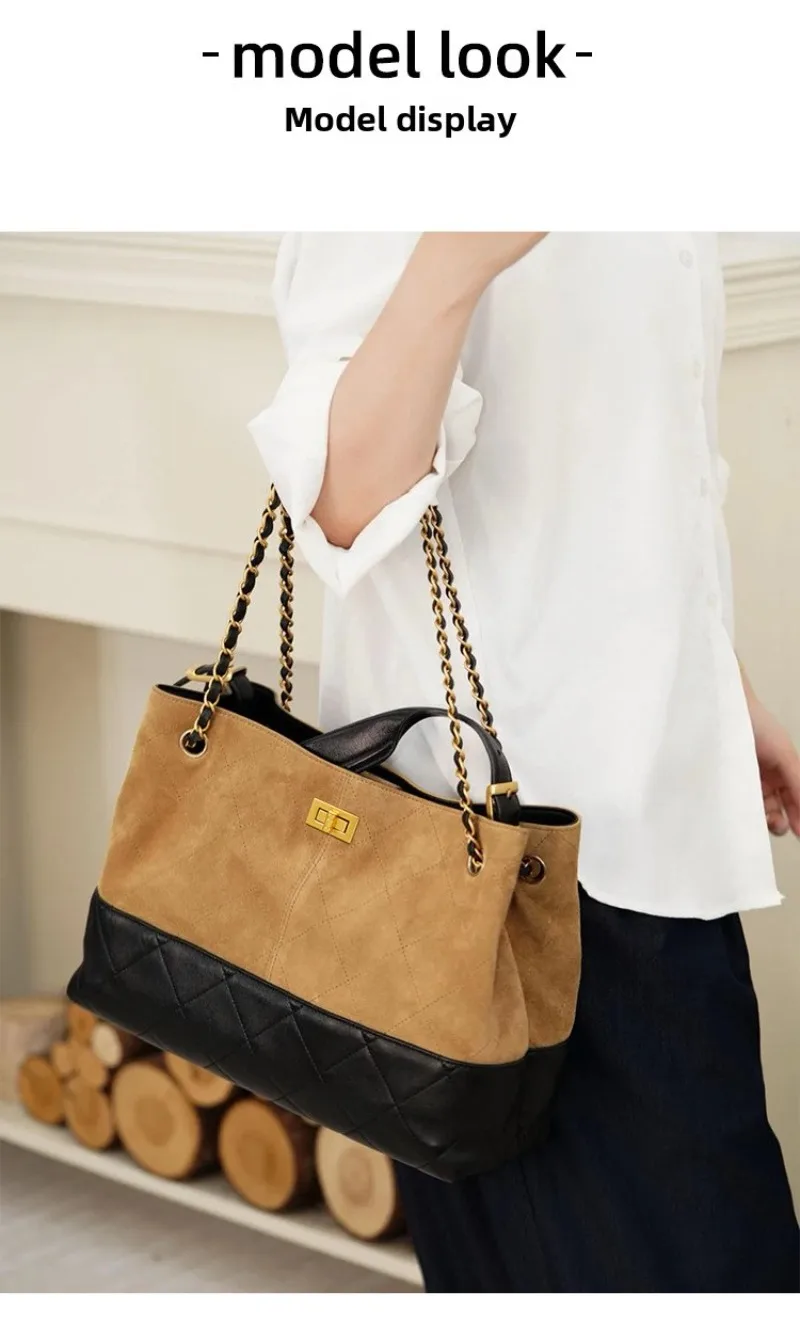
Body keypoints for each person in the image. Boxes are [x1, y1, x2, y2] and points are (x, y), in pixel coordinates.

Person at [249, 232, 800, 1292]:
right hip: (504, 877)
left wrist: (721, 690)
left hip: (656, 825)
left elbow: (637, 481)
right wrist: (463, 248)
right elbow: (342, 503)